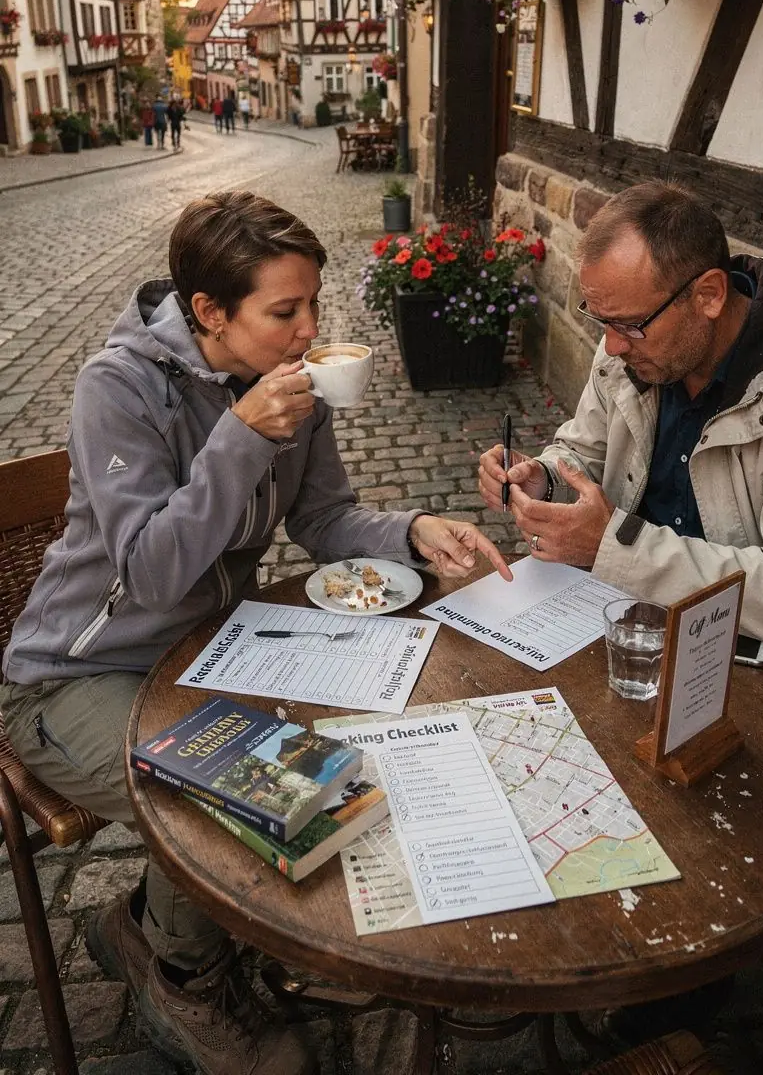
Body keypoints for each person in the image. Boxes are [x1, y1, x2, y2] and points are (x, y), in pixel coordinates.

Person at [1, 190, 510, 1075]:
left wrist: (416, 530)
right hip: (70, 677)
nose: (309, 329)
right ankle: (185, 979)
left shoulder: (291, 387)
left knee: (348, 752)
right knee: (232, 797)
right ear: (209, 311)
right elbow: (155, 572)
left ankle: (145, 925)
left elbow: (327, 519)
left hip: (202, 657)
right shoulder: (117, 389)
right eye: (285, 310)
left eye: (314, 304)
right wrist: (239, 437)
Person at [479, 179, 763, 653]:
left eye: (629, 326)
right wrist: (545, 479)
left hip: (745, 662)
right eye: (602, 322)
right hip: (615, 624)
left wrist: (614, 547)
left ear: (709, 296)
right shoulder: (635, 338)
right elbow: (583, 451)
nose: (612, 346)